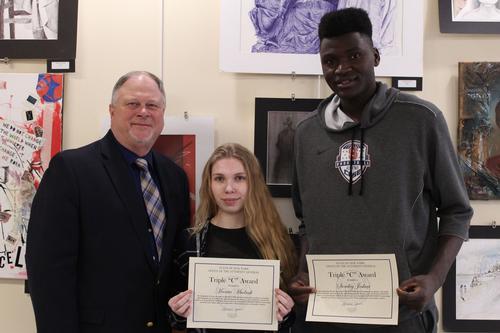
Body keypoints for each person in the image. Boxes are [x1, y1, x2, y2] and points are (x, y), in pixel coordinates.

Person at [290, 8, 473, 333]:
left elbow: (457, 211)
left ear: (375, 56)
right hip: (325, 314)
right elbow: (307, 222)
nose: (342, 69)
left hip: (401, 314)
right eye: (330, 61)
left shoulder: (421, 120)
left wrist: (434, 280)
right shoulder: (306, 133)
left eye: (354, 56)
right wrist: (303, 271)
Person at [26, 71, 191, 333]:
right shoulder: (71, 170)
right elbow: (47, 271)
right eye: (133, 104)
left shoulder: (175, 178)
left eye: (152, 105)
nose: (143, 112)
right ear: (112, 111)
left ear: (163, 113)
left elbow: (175, 262)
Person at [167, 143, 297, 332]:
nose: (229, 188)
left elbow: (287, 321)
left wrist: (285, 314)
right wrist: (178, 312)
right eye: (219, 178)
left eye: (239, 178)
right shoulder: (188, 241)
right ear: (209, 184)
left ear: (253, 183)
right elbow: (175, 320)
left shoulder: (277, 240)